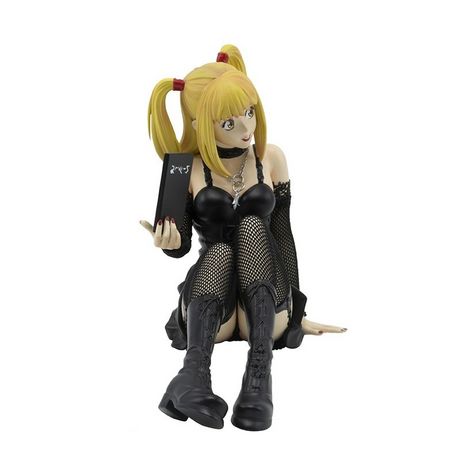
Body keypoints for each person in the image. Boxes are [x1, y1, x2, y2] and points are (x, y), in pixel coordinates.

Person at [140, 44, 346, 431]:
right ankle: (192, 377)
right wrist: (169, 242)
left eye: (249, 112)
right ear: (201, 123)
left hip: (264, 310)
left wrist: (298, 312)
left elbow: (282, 233)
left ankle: (258, 380)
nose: (247, 129)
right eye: (229, 123)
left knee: (253, 226)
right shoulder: (187, 169)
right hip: (212, 309)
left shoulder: (271, 158)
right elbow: (182, 247)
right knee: (219, 249)